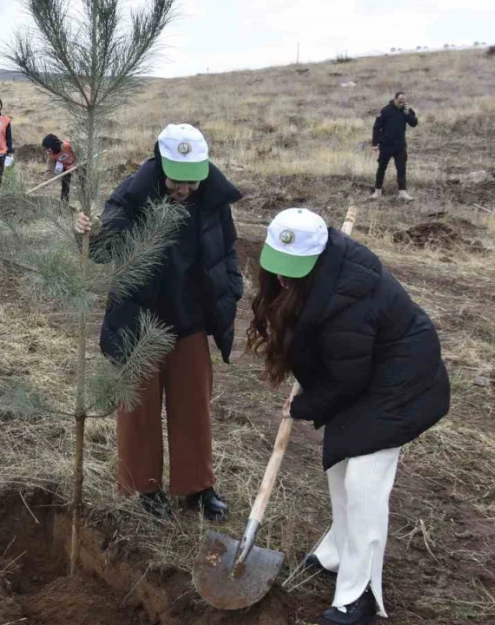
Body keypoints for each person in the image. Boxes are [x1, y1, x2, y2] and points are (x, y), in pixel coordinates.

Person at [246, 208, 450, 625]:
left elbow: (346, 378)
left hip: (402, 381)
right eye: (278, 268)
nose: (283, 279)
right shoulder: (309, 281)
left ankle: (360, 596)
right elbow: (334, 363)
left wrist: (304, 406)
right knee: (339, 461)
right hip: (363, 371)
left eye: (293, 271)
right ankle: (339, 551)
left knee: (364, 483)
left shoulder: (349, 300)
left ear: (317, 258)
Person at [74, 124, 242, 522]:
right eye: (175, 181)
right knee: (139, 407)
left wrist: (230, 287)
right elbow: (104, 248)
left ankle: (196, 488)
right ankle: (144, 489)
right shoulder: (132, 194)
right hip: (139, 317)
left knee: (193, 405)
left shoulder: (213, 197)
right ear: (160, 164)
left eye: (191, 183)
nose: (183, 190)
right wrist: (88, 233)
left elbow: (227, 248)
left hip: (192, 318)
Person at [370, 92, 418, 201]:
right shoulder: (386, 111)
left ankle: (402, 192)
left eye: (403, 102)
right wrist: (375, 144)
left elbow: (414, 123)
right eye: (400, 102)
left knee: (401, 168)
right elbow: (376, 128)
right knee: (381, 168)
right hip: (386, 145)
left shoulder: (406, 111)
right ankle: (377, 191)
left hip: (400, 146)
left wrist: (407, 113)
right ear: (395, 99)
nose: (401, 104)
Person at [42, 134, 80, 203]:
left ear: (53, 145)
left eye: (48, 148)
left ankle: (86, 197)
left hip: (78, 164)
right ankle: (64, 203)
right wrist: (46, 180)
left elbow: (79, 153)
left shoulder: (67, 145)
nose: (47, 151)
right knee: (65, 184)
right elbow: (50, 167)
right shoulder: (51, 154)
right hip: (66, 167)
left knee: (83, 180)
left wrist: (76, 164)